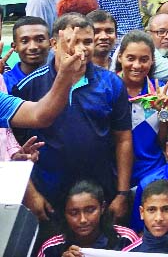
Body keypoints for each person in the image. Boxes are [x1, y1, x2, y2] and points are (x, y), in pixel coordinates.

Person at [12, 13, 133, 223]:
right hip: (48, 194)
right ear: (53, 44)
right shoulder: (27, 87)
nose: (81, 49)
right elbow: (14, 147)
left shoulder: (112, 84)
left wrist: (122, 194)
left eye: (87, 42)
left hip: (100, 192)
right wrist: (32, 194)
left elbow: (123, 139)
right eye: (72, 42)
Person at [116, 30, 168, 187]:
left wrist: (163, 112)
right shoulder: (107, 89)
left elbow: (164, 142)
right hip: (115, 175)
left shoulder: (162, 91)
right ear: (120, 57)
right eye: (131, 58)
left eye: (144, 59)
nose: (137, 66)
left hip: (152, 174)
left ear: (153, 61)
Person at [36, 180, 139, 257]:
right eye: (73, 213)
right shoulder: (50, 248)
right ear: (64, 213)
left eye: (90, 210)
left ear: (102, 208)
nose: (83, 220)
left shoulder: (125, 238)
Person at [5, 16, 50, 92]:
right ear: (14, 47)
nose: (33, 47)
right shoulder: (5, 82)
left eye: (40, 40)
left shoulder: (60, 78)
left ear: (51, 43)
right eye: (25, 41)